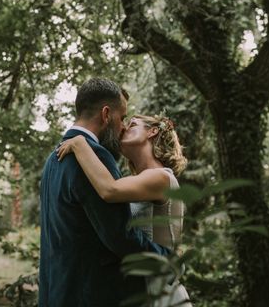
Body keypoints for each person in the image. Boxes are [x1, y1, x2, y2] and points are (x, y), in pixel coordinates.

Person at [38, 78, 170, 307]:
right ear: (106, 114)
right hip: (91, 296)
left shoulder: (53, 159)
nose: (122, 127)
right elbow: (119, 236)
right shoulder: (95, 157)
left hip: (56, 292)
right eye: (122, 118)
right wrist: (169, 259)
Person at [57, 114, 192, 306]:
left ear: (152, 132)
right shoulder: (138, 180)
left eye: (132, 124)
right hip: (138, 290)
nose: (124, 128)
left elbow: (109, 190)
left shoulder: (162, 178)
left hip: (160, 293)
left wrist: (80, 143)